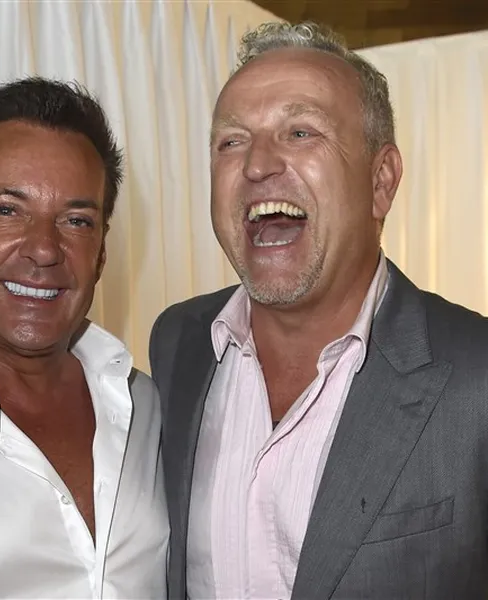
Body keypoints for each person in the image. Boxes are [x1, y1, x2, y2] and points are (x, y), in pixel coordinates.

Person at [150, 21, 488, 600]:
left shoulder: (476, 376)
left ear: (381, 182)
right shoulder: (177, 342)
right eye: (231, 141)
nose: (257, 164)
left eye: (300, 132)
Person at [0, 77, 168, 599]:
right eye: (7, 210)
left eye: (76, 220)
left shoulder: (144, 405)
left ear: (101, 254)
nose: (44, 248)